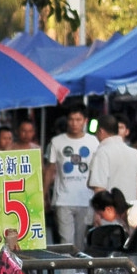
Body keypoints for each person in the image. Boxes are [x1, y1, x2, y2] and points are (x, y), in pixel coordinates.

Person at [44, 106, 99, 249]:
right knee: (66, 242)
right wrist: (44, 194)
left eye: (78, 120)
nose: (74, 123)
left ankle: (79, 265)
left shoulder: (93, 142)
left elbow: (98, 170)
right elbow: (50, 169)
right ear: (67, 120)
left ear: (85, 121)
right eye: (71, 119)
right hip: (63, 199)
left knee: (80, 242)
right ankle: (68, 265)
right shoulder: (56, 141)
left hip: (86, 199)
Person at [88, 114, 137, 199]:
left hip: (110, 206)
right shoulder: (136, 154)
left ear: (101, 131)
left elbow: (99, 188)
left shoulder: (102, 152)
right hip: (131, 205)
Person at [86, 188, 131, 254]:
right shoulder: (121, 219)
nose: (101, 218)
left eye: (101, 214)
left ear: (108, 209)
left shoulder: (132, 217)